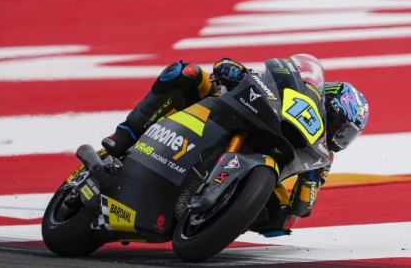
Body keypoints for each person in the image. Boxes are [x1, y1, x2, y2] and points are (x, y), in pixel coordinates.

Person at [102, 55, 369, 237]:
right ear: (328, 106)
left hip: (264, 157)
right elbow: (232, 69)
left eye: (347, 135)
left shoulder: (321, 157)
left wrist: (312, 181)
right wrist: (233, 70)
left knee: (282, 221)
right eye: (339, 127)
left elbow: (302, 207)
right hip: (220, 113)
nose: (339, 137)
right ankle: (126, 134)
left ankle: (219, 218)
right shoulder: (297, 97)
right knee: (187, 73)